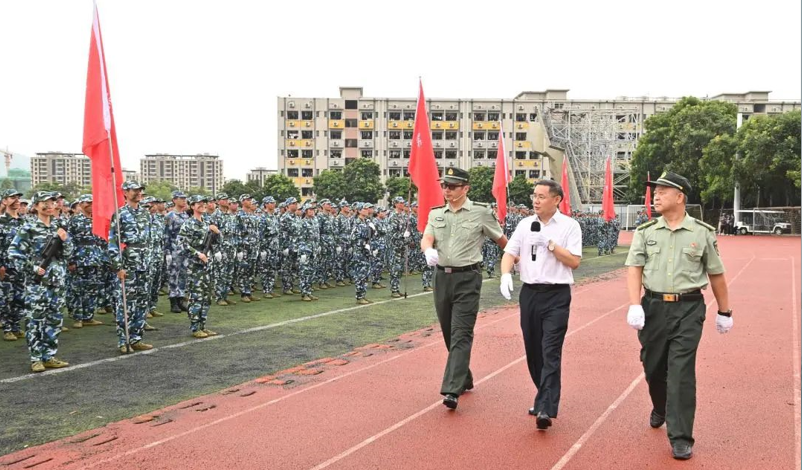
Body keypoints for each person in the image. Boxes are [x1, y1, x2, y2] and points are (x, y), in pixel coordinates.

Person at [625, 171, 732, 460]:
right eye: (655, 191)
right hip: (654, 308)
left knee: (681, 372)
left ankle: (681, 436)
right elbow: (634, 269)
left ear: (680, 197)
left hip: (689, 308)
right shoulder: (646, 231)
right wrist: (634, 304)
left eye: (663, 191)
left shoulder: (702, 232)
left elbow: (716, 273)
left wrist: (724, 311)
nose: (656, 196)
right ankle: (660, 406)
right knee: (653, 367)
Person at [421, 167, 507, 410]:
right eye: (444, 186)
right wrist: (427, 250)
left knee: (461, 332)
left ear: (465, 188)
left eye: (452, 186)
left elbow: (501, 240)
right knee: (449, 332)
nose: (447, 190)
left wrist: (516, 262)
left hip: (468, 278)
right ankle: (464, 376)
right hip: (442, 278)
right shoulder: (436, 213)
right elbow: (427, 237)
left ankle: (452, 389)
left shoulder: (481, 213)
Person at [499, 180, 582, 430]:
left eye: (541, 196)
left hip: (557, 295)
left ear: (556, 200)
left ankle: (546, 407)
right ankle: (543, 394)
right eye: (534, 196)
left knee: (550, 350)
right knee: (534, 351)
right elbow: (509, 252)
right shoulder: (525, 224)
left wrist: (550, 244)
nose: (535, 201)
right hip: (530, 294)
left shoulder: (570, 226)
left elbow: (574, 261)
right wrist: (505, 274)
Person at [8, 191, 74, 372]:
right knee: (35, 320)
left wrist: (65, 240)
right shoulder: (28, 228)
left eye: (52, 202)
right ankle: (36, 358)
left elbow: (68, 254)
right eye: (44, 202)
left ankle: (49, 356)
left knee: (54, 319)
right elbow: (14, 253)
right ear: (36, 206)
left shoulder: (59, 227)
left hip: (57, 282)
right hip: (37, 283)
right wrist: (33, 268)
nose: (49, 205)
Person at [109, 181, 154, 354]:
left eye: (140, 190)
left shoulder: (145, 213)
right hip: (128, 264)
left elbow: (149, 239)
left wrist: (150, 259)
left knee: (142, 301)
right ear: (125, 193)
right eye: (135, 190)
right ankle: (124, 339)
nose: (138, 193)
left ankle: (136, 338)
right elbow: (113, 242)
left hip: (145, 263)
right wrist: (118, 266)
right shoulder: (120, 214)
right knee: (126, 303)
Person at [178, 195, 220, 338]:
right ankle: (195, 327)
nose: (202, 205)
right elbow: (181, 244)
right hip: (195, 265)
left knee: (207, 296)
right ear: (192, 206)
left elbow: (217, 242)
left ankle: (203, 325)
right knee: (196, 296)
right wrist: (197, 254)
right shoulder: (188, 224)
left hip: (207, 264)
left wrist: (217, 233)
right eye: (199, 203)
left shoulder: (207, 222)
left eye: (204, 203)